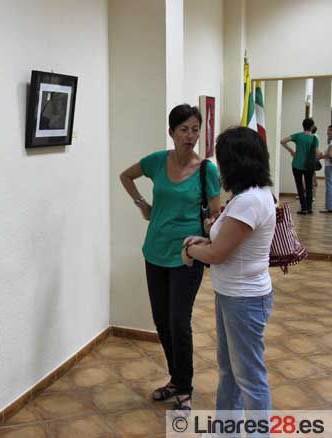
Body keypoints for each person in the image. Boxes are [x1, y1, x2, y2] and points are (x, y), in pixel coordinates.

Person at [119, 104, 221, 411]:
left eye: (195, 130)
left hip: (187, 256)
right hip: (154, 251)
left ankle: (185, 388)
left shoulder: (207, 170)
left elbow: (216, 214)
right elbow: (126, 176)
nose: (190, 136)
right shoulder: (156, 161)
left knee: (179, 321)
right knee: (162, 321)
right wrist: (141, 204)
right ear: (171, 132)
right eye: (184, 130)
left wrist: (207, 234)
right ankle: (175, 380)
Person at [182, 127, 275, 429]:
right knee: (230, 371)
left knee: (249, 377)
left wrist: (190, 250)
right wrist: (208, 236)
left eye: (222, 159)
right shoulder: (246, 197)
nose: (219, 166)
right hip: (232, 294)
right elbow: (225, 242)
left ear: (236, 162)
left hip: (245, 299)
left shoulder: (250, 201)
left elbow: (218, 255)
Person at [280, 118, 319, 214]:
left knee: (300, 186)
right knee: (309, 186)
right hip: (309, 166)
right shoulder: (315, 138)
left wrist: (291, 151)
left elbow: (282, 141)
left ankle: (303, 208)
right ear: (312, 126)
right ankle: (309, 208)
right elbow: (317, 153)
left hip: (297, 164)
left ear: (303, 125)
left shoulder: (298, 136)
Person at [322, 124, 332, 213]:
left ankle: (329, 207)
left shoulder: (331, 142)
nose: (328, 132)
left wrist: (321, 156)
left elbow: (330, 154)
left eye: (330, 130)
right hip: (329, 165)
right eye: (328, 130)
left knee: (329, 185)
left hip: (329, 166)